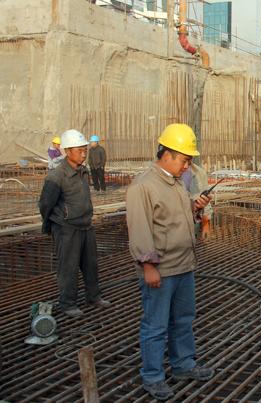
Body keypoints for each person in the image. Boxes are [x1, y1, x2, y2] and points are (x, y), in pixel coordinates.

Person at [126, 123, 214, 401]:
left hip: (183, 265)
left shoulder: (175, 183)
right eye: (184, 160)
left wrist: (194, 208)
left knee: (183, 320)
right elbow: (139, 228)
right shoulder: (143, 186)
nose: (187, 167)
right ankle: (153, 376)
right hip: (160, 271)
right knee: (156, 326)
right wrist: (148, 266)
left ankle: (183, 365)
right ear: (167, 154)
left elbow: (175, 216)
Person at [38, 129, 111, 317]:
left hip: (85, 225)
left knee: (90, 264)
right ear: (67, 151)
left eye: (84, 150)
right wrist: (51, 225)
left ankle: (93, 296)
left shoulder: (83, 171)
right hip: (66, 228)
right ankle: (68, 303)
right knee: (68, 267)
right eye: (79, 151)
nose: (84, 154)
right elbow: (45, 204)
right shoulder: (57, 175)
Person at [181, 163, 213, 243]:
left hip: (192, 228)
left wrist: (205, 224)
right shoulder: (169, 172)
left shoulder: (200, 173)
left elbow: (205, 201)